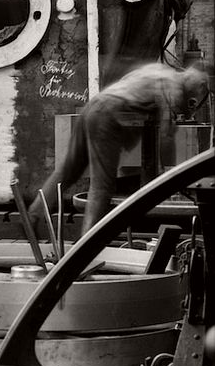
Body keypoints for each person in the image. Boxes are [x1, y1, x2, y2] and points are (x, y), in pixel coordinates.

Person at [28, 62, 209, 236]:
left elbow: (127, 85)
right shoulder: (174, 86)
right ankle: (85, 248)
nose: (197, 94)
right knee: (102, 187)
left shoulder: (158, 70)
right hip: (107, 118)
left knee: (69, 170)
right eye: (200, 88)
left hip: (94, 106)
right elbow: (165, 134)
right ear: (196, 81)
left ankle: (32, 217)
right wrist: (169, 177)